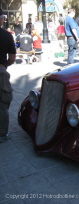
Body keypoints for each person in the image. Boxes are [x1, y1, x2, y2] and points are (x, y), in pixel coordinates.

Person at [0, 9, 16, 143]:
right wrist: (4, 66)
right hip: (0, 71)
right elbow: (12, 57)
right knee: (3, 103)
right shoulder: (6, 35)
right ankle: (1, 134)